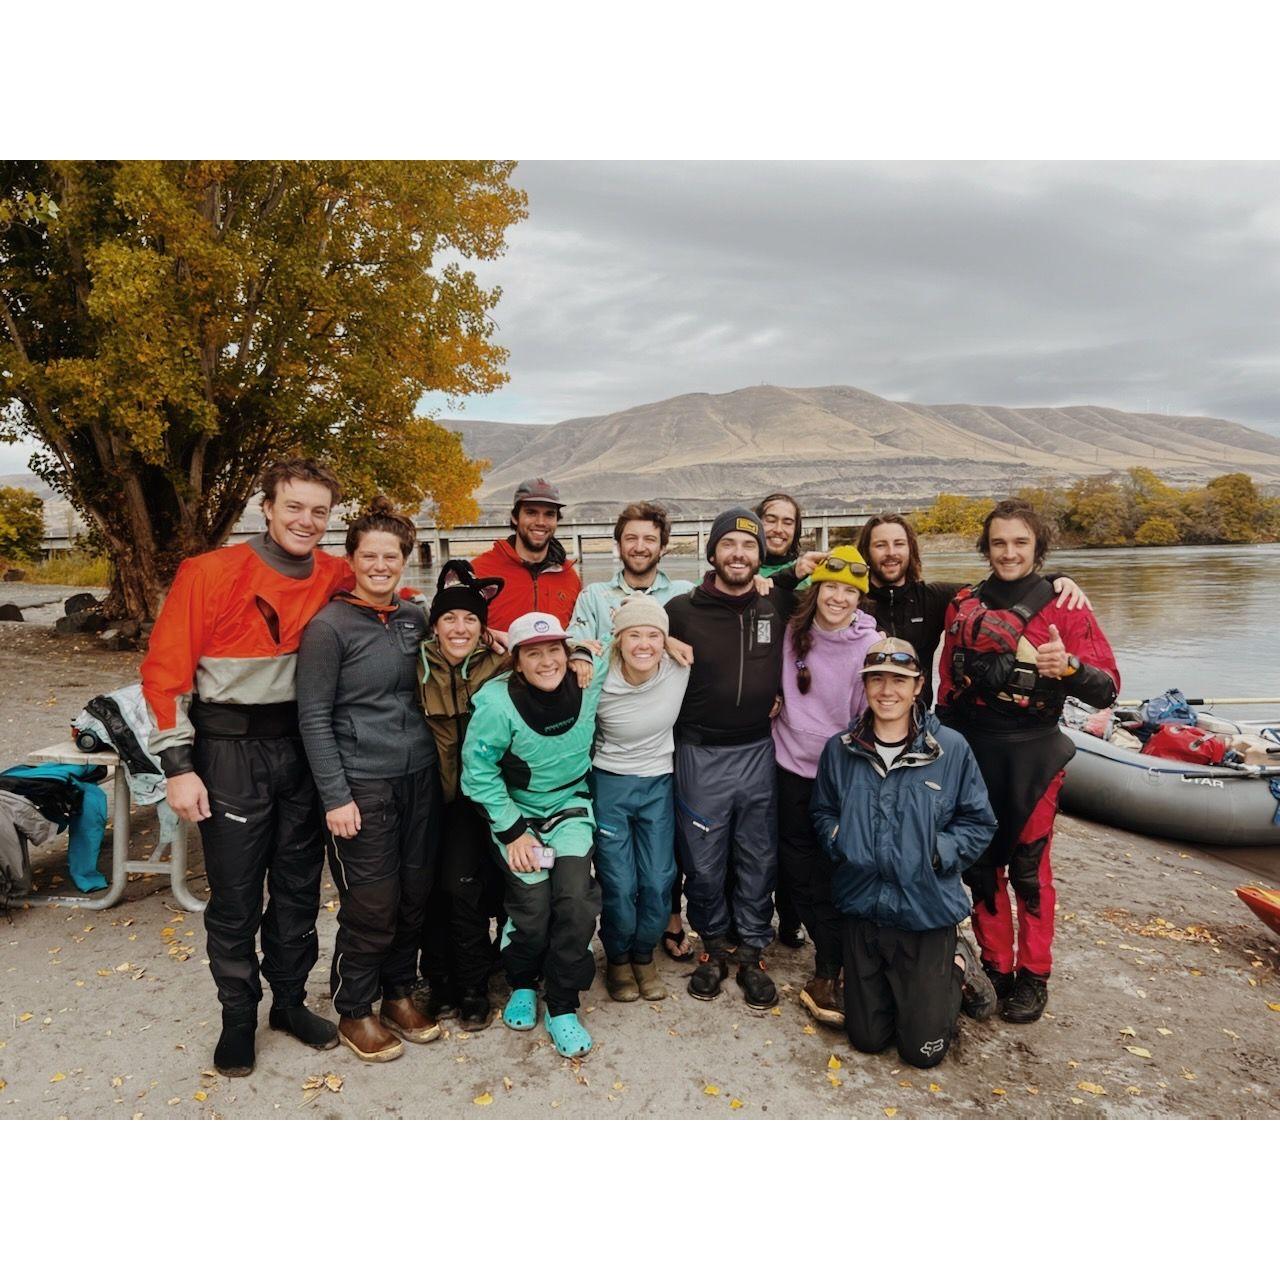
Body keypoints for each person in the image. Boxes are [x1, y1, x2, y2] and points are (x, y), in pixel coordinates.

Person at [141, 457, 350, 1077]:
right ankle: (238, 1017)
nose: (307, 521)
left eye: (319, 511)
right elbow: (164, 674)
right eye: (294, 507)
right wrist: (178, 766)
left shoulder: (335, 573)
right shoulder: (209, 573)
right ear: (267, 508)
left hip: (301, 750)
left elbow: (390, 593)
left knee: (298, 886)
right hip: (227, 752)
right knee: (235, 895)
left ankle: (288, 1002)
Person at [937, 499, 1119, 1023]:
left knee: (1029, 868)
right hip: (974, 751)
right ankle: (996, 965)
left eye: (1020, 542)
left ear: (1037, 547)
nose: (1009, 552)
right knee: (981, 864)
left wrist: (1070, 668)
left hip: (1035, 752)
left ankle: (1034, 975)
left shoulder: (1066, 606)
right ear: (986, 547)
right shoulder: (964, 604)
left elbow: (1108, 689)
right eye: (999, 542)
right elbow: (947, 684)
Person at [296, 498, 442, 1063]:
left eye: (391, 557)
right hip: (362, 784)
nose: (381, 566)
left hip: (419, 776)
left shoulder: (413, 618)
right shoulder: (329, 627)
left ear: (404, 561)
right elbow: (313, 716)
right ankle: (355, 1007)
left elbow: (451, 655)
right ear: (351, 559)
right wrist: (336, 796)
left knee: (414, 895)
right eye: (370, 556)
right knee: (372, 903)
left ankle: (399, 993)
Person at [811, 637, 997, 1070]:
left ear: (917, 686)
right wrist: (838, 838)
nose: (887, 690)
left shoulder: (950, 748)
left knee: (922, 1052)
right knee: (867, 1039)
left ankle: (956, 965)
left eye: (899, 680)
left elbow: (979, 822)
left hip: (925, 910)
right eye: (876, 679)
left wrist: (936, 853)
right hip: (862, 906)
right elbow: (822, 811)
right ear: (864, 686)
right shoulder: (840, 749)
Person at [461, 612, 606, 1058]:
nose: (547, 662)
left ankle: (562, 1003)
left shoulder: (586, 678)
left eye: (555, 650)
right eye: (533, 653)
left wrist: (584, 651)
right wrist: (513, 832)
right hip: (518, 814)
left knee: (576, 901)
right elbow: (477, 772)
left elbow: (632, 640)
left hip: (569, 807)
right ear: (517, 662)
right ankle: (522, 981)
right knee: (532, 905)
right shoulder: (496, 702)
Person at [665, 506, 785, 1009]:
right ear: (712, 552)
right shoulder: (680, 609)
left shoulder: (776, 605)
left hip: (758, 749)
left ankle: (753, 950)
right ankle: (713, 947)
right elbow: (629, 639)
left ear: (761, 555)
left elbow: (836, 605)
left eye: (749, 545)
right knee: (704, 861)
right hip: (700, 751)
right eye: (729, 545)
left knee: (759, 855)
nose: (739, 554)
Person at [772, 546, 880, 1026]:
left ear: (860, 598)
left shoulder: (869, 645)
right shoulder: (792, 632)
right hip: (788, 767)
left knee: (837, 869)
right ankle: (828, 959)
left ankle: (832, 966)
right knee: (798, 870)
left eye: (849, 591)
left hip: (840, 774)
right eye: (830, 587)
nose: (838, 598)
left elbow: (869, 716)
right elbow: (758, 592)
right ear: (815, 590)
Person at [841, 513, 1090, 708]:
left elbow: (996, 590)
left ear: (910, 549)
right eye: (880, 545)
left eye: (899, 544)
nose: (891, 553)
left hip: (916, 717)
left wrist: (1053, 580)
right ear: (867, 552)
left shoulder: (934, 597)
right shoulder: (849, 603)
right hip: (859, 715)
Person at [417, 559, 509, 1031]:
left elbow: (548, 657)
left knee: (463, 888)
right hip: (425, 794)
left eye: (471, 618)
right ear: (434, 624)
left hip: (476, 797)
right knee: (427, 890)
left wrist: (577, 653)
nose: (460, 628)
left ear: (483, 626)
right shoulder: (414, 663)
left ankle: (473, 984)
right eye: (449, 617)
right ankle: (438, 982)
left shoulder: (501, 661)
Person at [589, 594, 690, 1003]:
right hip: (609, 781)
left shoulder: (678, 667)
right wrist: (580, 649)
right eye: (634, 635)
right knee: (619, 881)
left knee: (658, 878)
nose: (644, 644)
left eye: (653, 635)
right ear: (618, 639)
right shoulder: (598, 672)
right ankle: (617, 958)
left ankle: (644, 955)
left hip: (657, 782)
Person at [569, 500, 695, 642]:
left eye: (649, 539)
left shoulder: (686, 593)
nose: (639, 547)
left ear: (662, 549)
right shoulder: (593, 597)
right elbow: (575, 647)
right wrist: (582, 649)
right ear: (619, 546)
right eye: (631, 539)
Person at [470, 477, 582, 633]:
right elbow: (455, 630)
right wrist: (489, 636)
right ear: (515, 517)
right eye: (531, 512)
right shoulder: (479, 572)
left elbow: (578, 633)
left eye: (549, 514)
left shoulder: (569, 577)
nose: (541, 522)